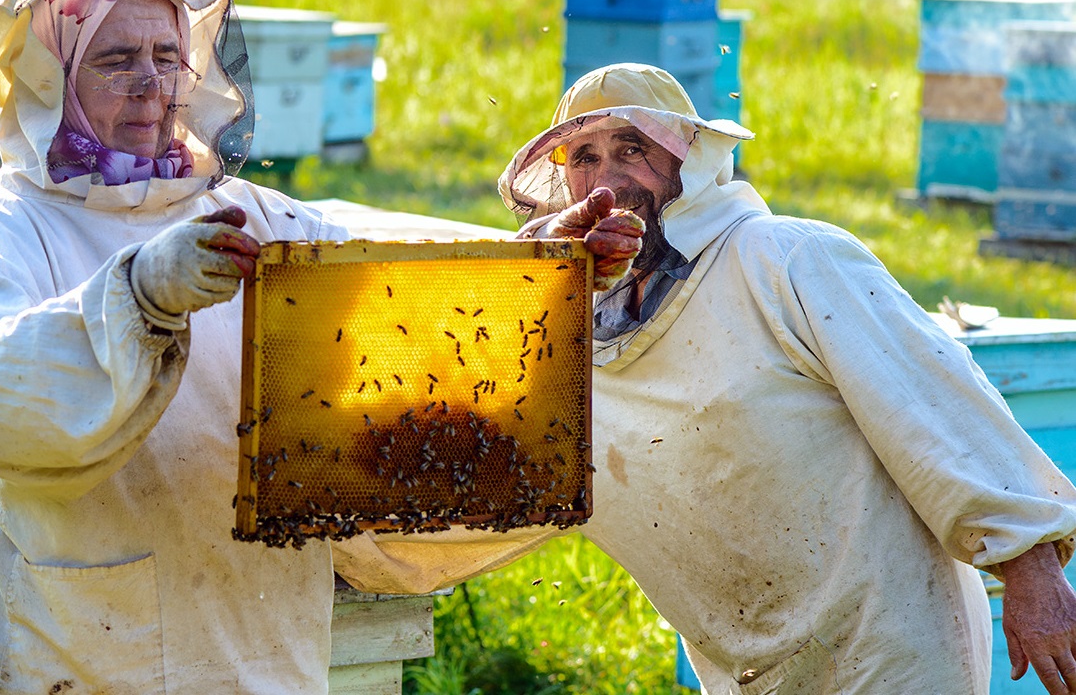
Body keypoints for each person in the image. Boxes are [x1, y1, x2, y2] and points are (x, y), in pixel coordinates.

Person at [332, 63, 1076, 695]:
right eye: (584, 158)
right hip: (744, 667)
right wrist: (343, 552)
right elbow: (467, 445)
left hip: (890, 644)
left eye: (632, 148)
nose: (608, 176)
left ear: (686, 160)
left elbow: (935, 406)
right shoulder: (569, 340)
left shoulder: (785, 260)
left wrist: (1031, 568)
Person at [0, 0, 358, 694]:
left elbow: (392, 277)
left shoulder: (252, 215)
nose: (152, 84)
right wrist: (138, 294)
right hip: (74, 663)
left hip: (266, 654)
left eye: (167, 56)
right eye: (116, 60)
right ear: (52, 80)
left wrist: (545, 255)